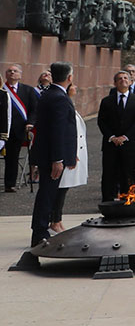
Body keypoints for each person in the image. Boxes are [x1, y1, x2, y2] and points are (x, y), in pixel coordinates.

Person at [28, 62, 78, 247]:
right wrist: (58, 159)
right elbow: (58, 130)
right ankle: (39, 233)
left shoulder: (50, 94)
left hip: (48, 154)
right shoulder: (59, 97)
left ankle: (41, 229)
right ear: (70, 78)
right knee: (47, 194)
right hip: (52, 156)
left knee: (47, 193)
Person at [98, 68, 135, 201]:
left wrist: (125, 137)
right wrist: (112, 137)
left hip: (130, 144)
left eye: (125, 78)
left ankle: (127, 200)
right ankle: (107, 200)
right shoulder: (107, 101)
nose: (123, 80)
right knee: (109, 173)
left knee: (128, 173)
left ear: (131, 82)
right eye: (119, 79)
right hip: (111, 144)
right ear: (115, 83)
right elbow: (102, 121)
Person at [51, 81, 88, 233]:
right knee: (59, 189)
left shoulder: (68, 102)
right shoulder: (62, 102)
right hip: (66, 155)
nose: (76, 88)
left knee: (63, 189)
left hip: (73, 152)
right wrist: (69, 153)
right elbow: (64, 132)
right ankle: (54, 220)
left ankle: (57, 219)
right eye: (73, 85)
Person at [4, 64, 38, 192]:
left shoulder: (28, 90)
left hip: (18, 129)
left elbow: (34, 110)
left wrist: (30, 123)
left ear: (20, 75)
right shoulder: (2, 89)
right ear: (6, 74)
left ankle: (10, 184)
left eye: (15, 71)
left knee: (12, 157)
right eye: (9, 71)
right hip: (2, 129)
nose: (12, 73)